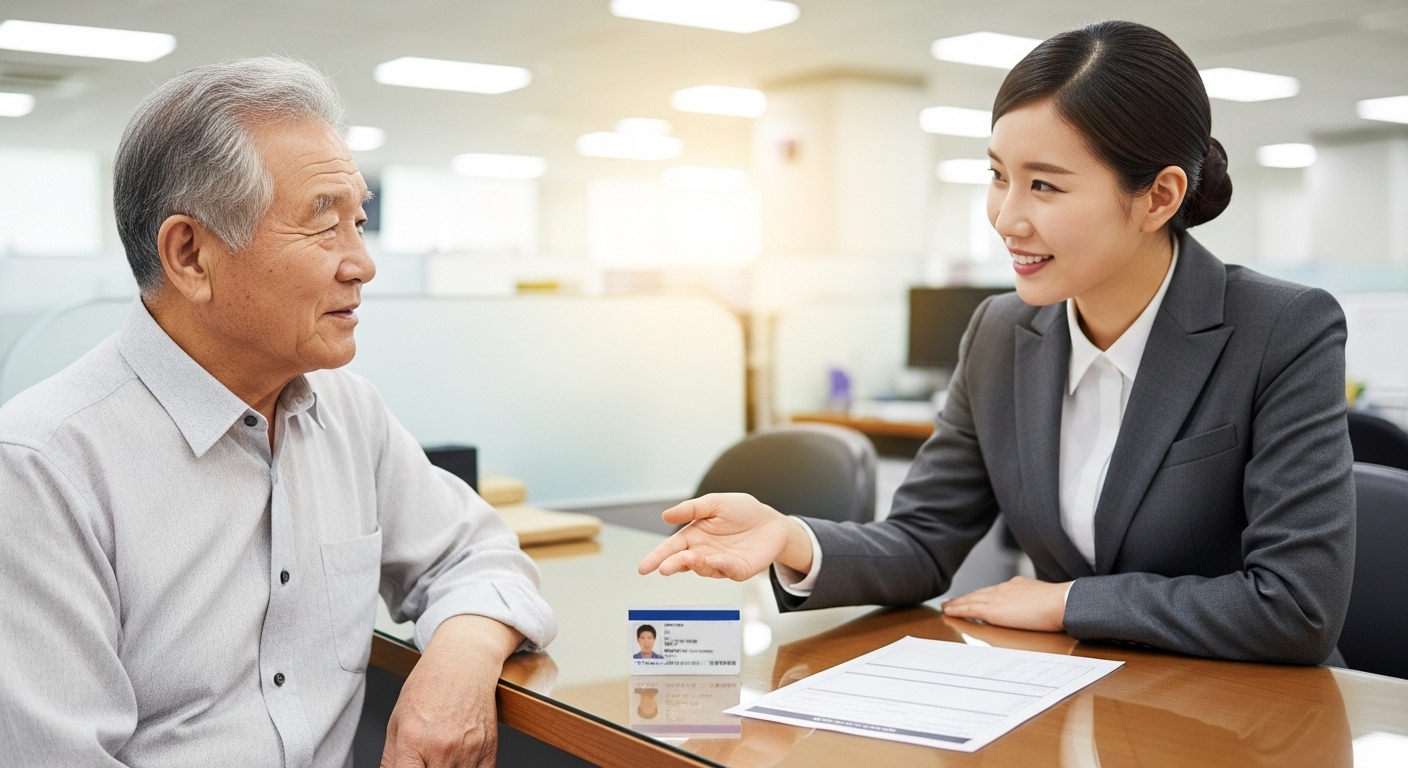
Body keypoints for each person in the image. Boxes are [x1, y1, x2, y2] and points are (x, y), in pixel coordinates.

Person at [638, 20, 1355, 666]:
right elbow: (924, 541)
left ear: (1158, 197)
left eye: (1044, 186)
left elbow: (1294, 607)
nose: (1006, 218)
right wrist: (790, 537)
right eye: (998, 176)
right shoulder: (1000, 331)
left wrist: (1065, 601)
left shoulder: (1280, 329)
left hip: (1251, 716)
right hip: (1077, 693)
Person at [0, 57, 555, 767]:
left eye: (359, 222)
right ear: (191, 255)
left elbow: (477, 555)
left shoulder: (347, 414)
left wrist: (458, 663)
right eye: (325, 227)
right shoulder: (42, 468)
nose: (363, 264)